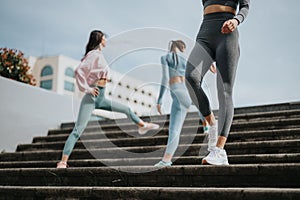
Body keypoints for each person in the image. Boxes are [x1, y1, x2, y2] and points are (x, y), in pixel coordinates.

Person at [57, 30, 160, 168]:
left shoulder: (99, 55)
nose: (106, 40)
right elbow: (79, 71)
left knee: (126, 109)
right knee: (78, 130)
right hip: (92, 98)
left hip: (101, 97)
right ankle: (63, 161)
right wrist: (87, 89)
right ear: (99, 39)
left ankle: (142, 126)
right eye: (104, 37)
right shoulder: (93, 54)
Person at [185, 0, 250, 165]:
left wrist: (236, 21)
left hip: (227, 32)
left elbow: (245, 6)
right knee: (191, 78)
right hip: (205, 32)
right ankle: (211, 122)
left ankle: (219, 150)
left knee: (225, 90)